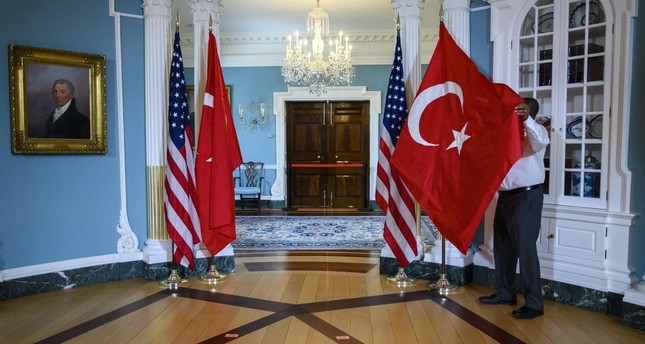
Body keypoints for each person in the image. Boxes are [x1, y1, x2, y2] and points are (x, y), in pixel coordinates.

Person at [479, 97, 550, 320]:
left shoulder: (536, 132)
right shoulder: (507, 136)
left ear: (530, 112)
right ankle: (505, 293)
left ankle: (534, 304)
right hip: (505, 197)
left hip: (527, 197)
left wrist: (527, 118)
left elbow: (538, 140)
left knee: (526, 250)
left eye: (523, 109)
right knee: (503, 247)